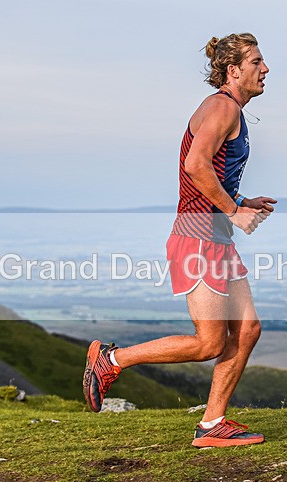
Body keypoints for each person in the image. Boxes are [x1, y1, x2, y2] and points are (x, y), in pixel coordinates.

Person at [83, 32, 275, 448]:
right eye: (257, 62)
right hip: (198, 238)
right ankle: (111, 360)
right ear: (233, 69)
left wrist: (241, 199)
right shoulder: (222, 108)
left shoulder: (228, 110)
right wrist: (234, 211)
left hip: (215, 237)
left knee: (247, 330)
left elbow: (212, 175)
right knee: (209, 342)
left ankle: (212, 425)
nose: (265, 69)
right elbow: (194, 165)